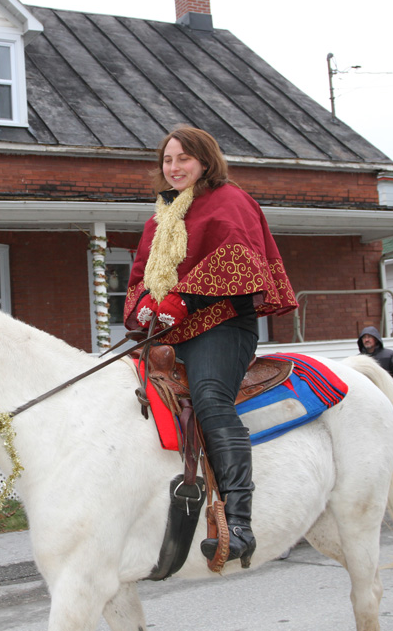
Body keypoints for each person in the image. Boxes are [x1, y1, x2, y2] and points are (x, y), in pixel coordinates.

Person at [124, 126, 297, 568]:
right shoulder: (159, 218)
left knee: (210, 398)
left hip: (222, 325)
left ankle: (239, 522)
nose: (174, 167)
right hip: (168, 331)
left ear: (204, 160)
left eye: (183, 158)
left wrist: (185, 299)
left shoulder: (230, 201)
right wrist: (145, 306)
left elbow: (238, 259)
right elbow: (141, 273)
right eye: (167, 160)